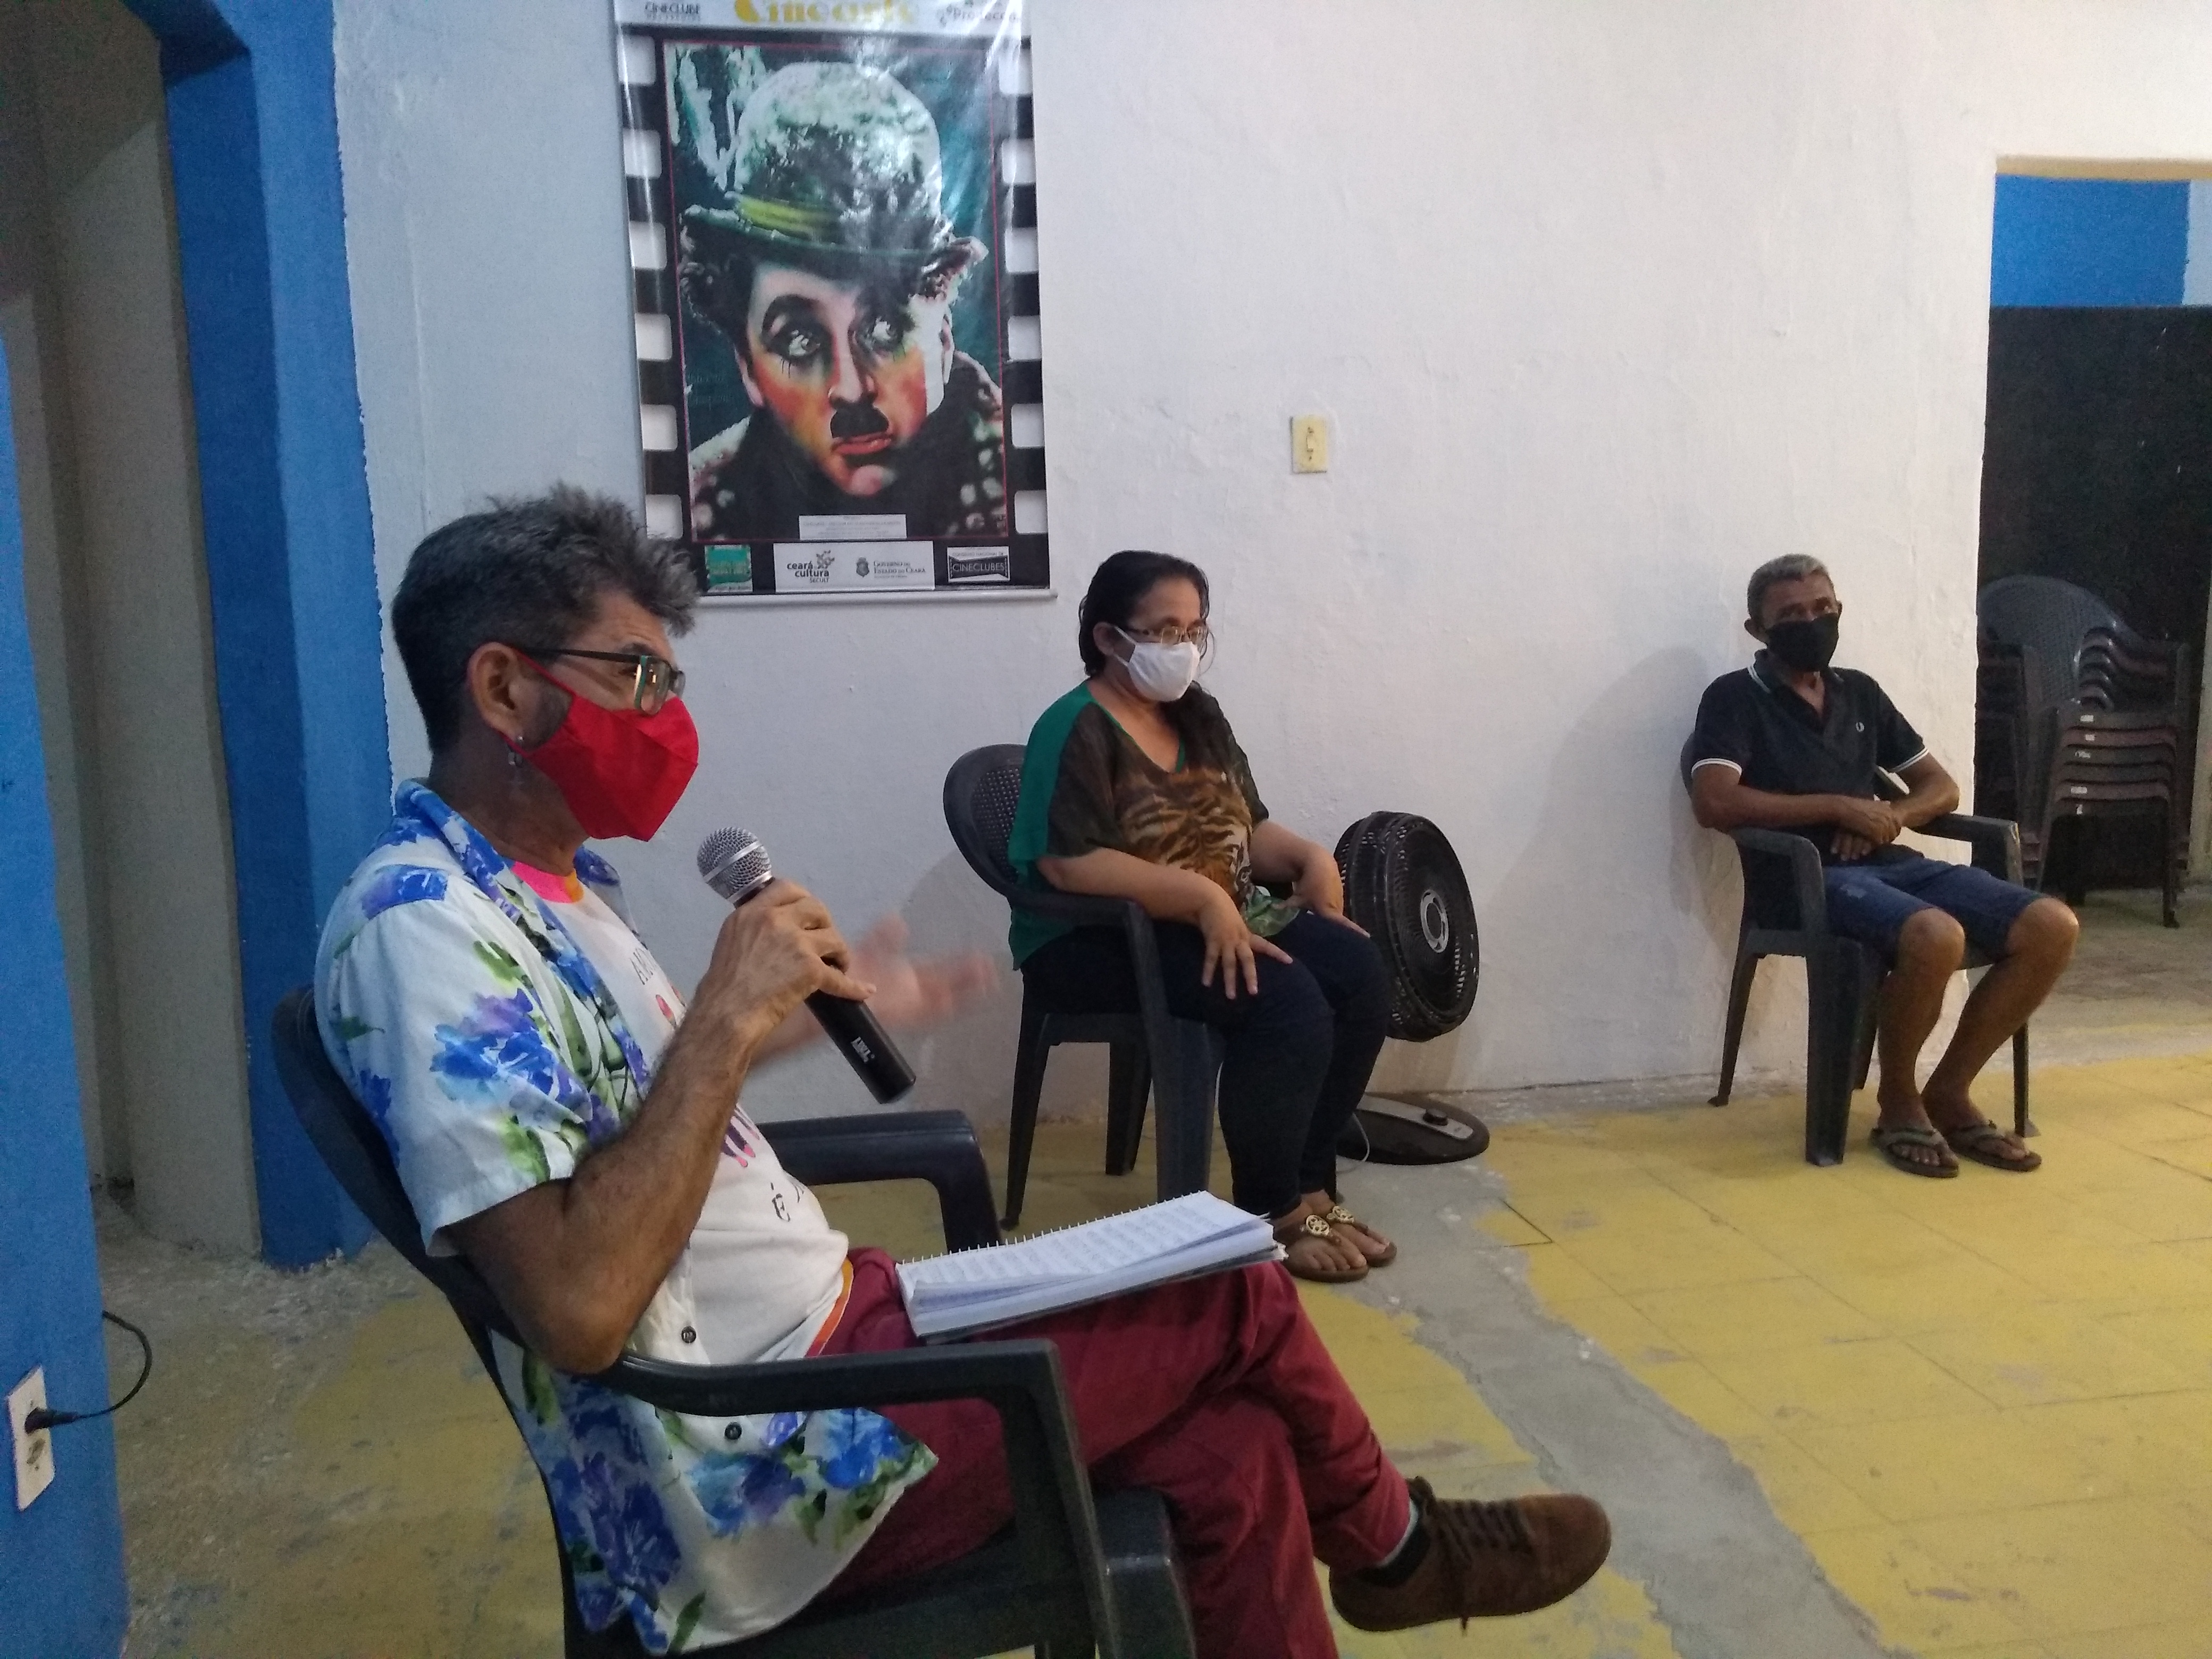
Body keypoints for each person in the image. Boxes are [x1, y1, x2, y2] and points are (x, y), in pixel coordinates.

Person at [315, 490, 1610, 1657]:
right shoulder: (423, 933)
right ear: (503, 689)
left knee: (1234, 1449)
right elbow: (577, 1306)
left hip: (847, 1327)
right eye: (639, 676)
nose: (670, 717)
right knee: (1237, 1292)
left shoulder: (544, 892)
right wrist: (721, 1016)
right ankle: (1399, 1554)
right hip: (764, 1456)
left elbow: (639, 1110)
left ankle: (1391, 1552)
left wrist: (794, 1020)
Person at [1009, 551, 1397, 1283]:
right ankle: (1272, 1209)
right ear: (1107, 637)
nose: (1183, 648)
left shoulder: (1199, 715)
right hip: (1096, 937)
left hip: (1215, 915)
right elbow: (1068, 862)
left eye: (1194, 631)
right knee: (1284, 1001)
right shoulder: (1074, 726)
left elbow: (1246, 828)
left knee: (1358, 973)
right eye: (1163, 631)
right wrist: (1202, 898)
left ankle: (1312, 1184)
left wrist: (1310, 858)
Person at [1688, 554, 2080, 1177]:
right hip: (1806, 879)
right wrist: (1837, 806)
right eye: (1790, 615)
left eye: (1822, 608)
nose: (1811, 622)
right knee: (1935, 935)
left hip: (1889, 863)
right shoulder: (1733, 698)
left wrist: (1888, 817)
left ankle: (1947, 1092)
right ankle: (1898, 1103)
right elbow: (1713, 801)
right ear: (1757, 630)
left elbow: (1939, 788)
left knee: (2051, 926)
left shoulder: (1859, 692)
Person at [678, 60, 1007, 542]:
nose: (852, 390)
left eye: (886, 329)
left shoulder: (1010, 482)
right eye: (799, 339)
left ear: (942, 338)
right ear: (748, 367)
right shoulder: (702, 513)